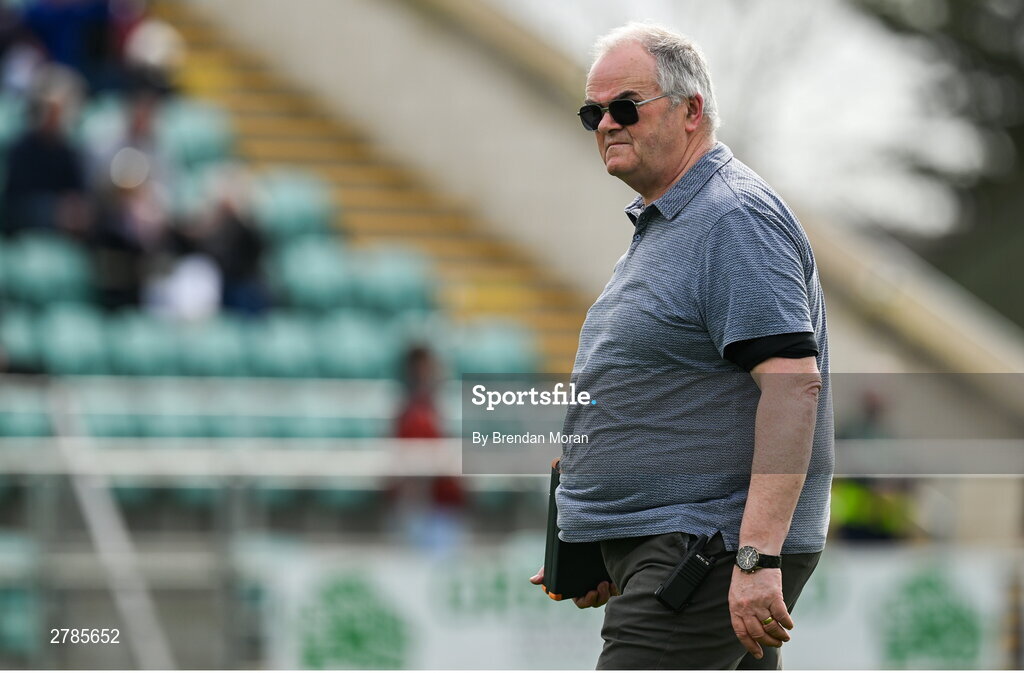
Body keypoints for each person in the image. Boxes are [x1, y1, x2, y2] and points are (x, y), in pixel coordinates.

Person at [528, 23, 833, 669]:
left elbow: (792, 384)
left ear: (692, 109)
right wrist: (604, 532)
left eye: (625, 106)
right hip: (681, 544)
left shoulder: (732, 217)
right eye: (593, 112)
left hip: (706, 547)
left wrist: (754, 556)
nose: (606, 124)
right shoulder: (674, 221)